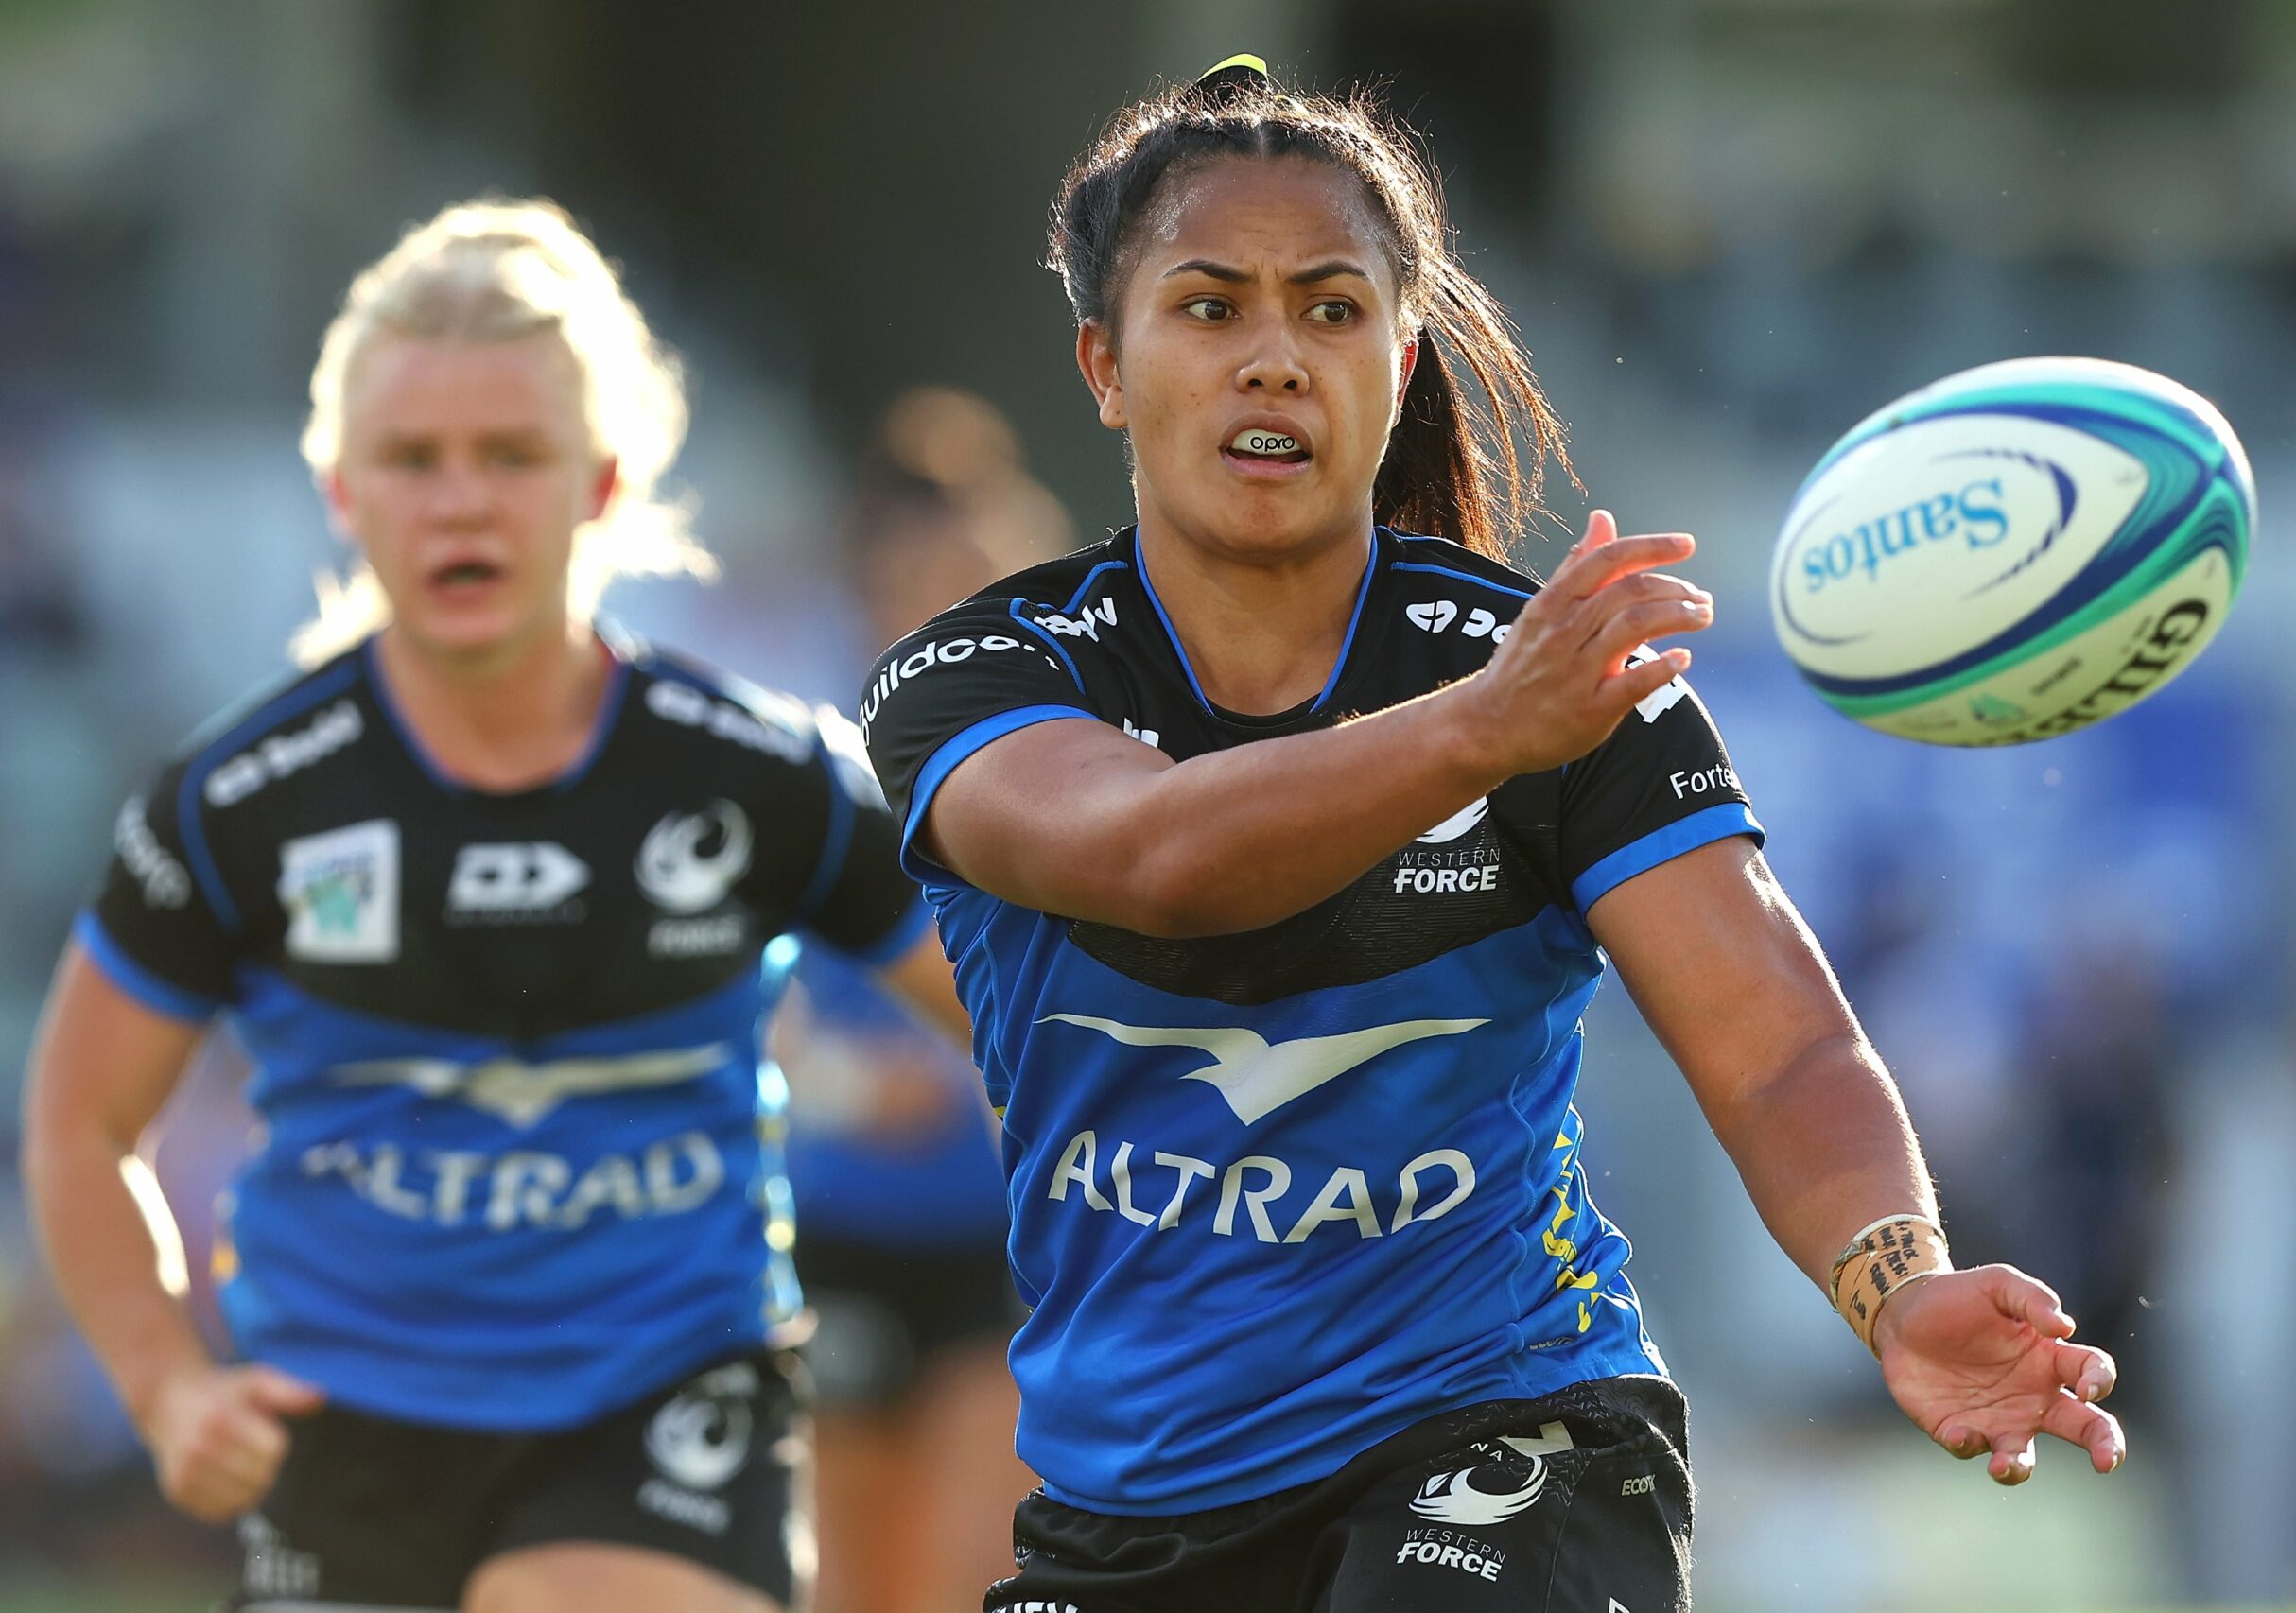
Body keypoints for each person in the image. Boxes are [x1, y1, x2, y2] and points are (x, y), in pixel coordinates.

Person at [857, 59, 2127, 1613]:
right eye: (1209, 308)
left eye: (1333, 310)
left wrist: (1901, 1279)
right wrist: (1477, 732)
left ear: (1402, 360)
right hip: (1132, 1506)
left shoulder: (1553, 683)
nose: (1274, 360)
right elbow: (1156, 861)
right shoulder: (984, 670)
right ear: (1102, 364)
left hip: (1508, 1425)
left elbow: (1778, 1043)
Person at [21, 199, 963, 1613]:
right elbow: (79, 1119)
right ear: (342, 490)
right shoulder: (242, 801)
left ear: (603, 480)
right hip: (338, 1430)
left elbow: (1034, 1015)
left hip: (663, 1408)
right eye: (413, 460)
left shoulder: (764, 773)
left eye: (510, 456)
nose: (460, 499)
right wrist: (163, 1388)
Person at [774, 390, 1052, 1613]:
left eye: (976, 578)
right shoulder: (810, 773)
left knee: (967, 1570)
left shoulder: (1063, 769)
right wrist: (839, 1085)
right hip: (832, 1218)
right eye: (925, 579)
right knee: (847, 1583)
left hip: (1002, 1227)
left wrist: (954, 1082)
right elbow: (737, 984)